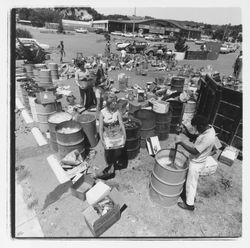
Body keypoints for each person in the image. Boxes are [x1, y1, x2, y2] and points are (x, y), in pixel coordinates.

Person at [175, 115, 216, 211]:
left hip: (196, 163)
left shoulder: (208, 137)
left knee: (191, 183)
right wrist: (184, 132)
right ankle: (190, 196)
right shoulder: (208, 128)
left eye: (196, 127)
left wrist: (181, 143)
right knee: (190, 181)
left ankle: (189, 205)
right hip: (196, 160)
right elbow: (195, 137)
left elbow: (195, 151)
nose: (196, 130)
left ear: (201, 126)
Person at [96, 94, 127, 179]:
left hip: (117, 134)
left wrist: (125, 136)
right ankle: (110, 164)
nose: (114, 105)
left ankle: (114, 161)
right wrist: (102, 139)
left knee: (118, 150)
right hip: (107, 135)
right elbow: (101, 128)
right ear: (107, 104)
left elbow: (121, 124)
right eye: (112, 103)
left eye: (115, 103)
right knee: (108, 152)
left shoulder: (117, 111)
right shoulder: (102, 113)